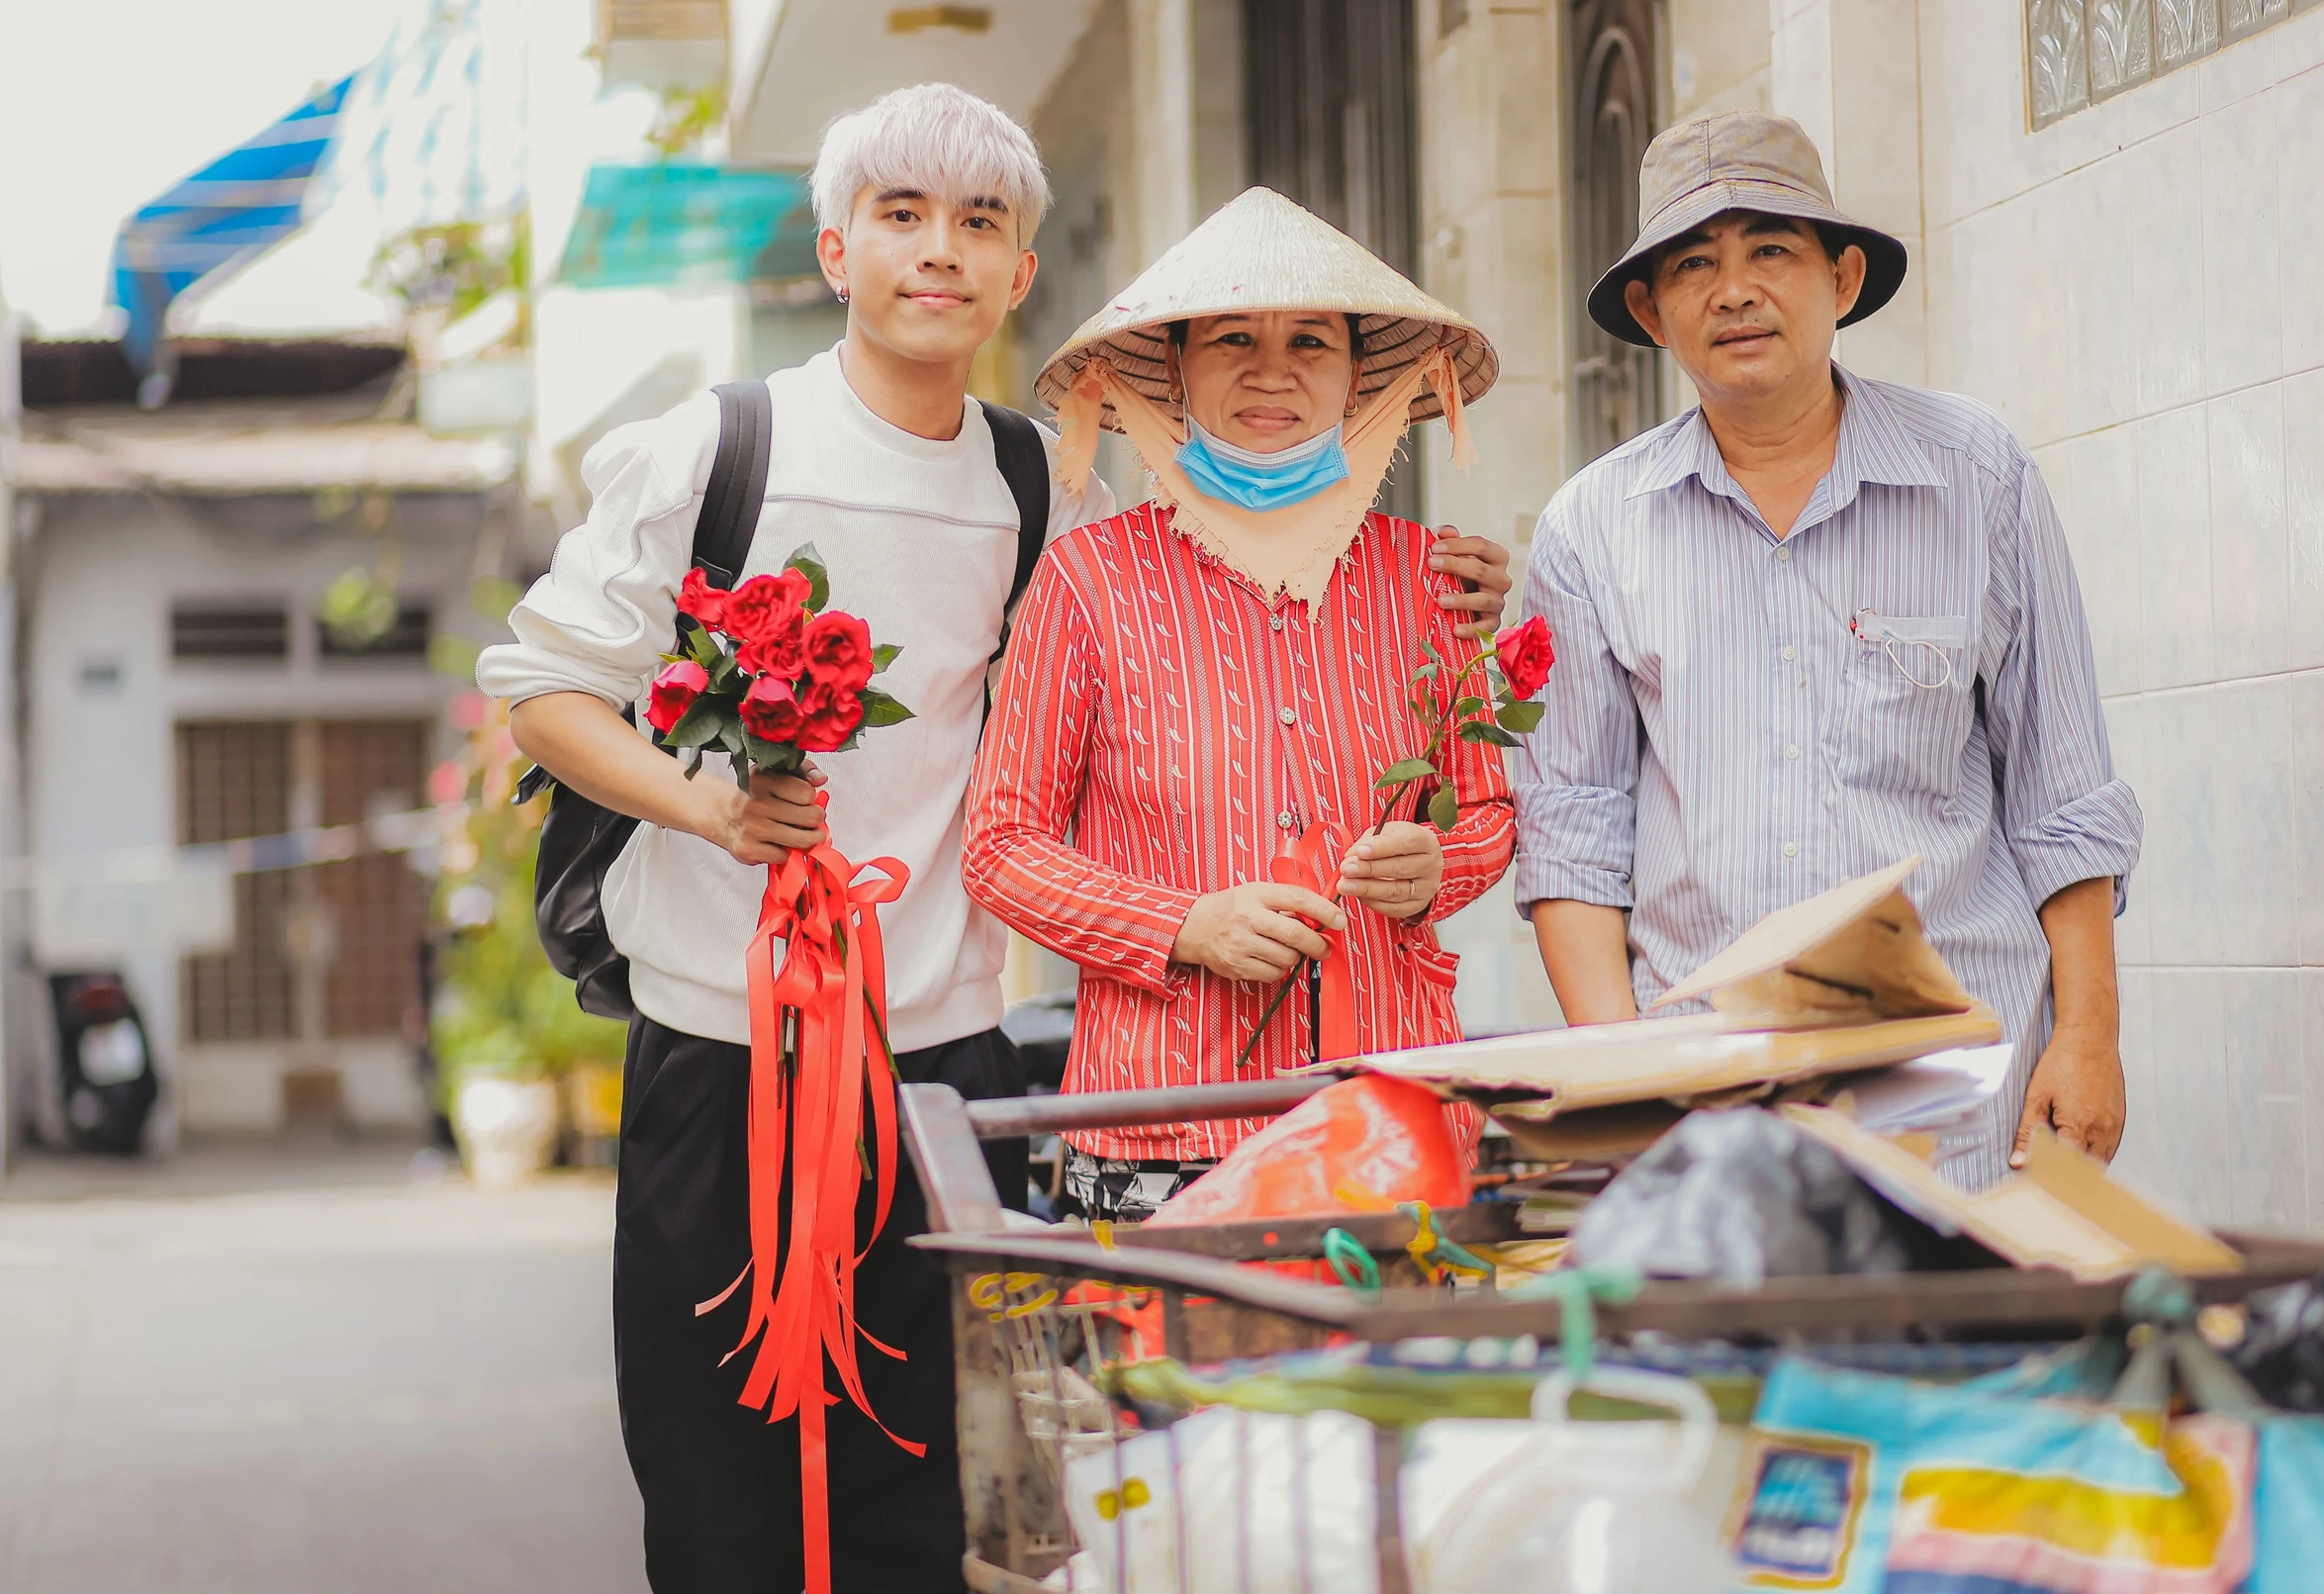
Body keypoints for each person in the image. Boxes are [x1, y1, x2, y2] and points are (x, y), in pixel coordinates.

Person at [477, 85, 1511, 1591]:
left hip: (940, 1056)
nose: (939, 252)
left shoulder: (1036, 481)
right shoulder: (717, 445)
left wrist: (1447, 597)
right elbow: (544, 688)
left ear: (1023, 272)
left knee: (934, 1487)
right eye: (901, 216)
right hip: (724, 1041)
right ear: (837, 248)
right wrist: (709, 803)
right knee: (714, 1489)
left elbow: (1146, 689)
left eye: (979, 224)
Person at [1511, 111, 2142, 1189]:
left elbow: (2062, 791)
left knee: (1964, 1358)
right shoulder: (1591, 527)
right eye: (1694, 265)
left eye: (1770, 251)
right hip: (1710, 1104)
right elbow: (1572, 830)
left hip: (1964, 1093)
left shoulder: (1977, 474)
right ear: (1649, 311)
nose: (1734, 289)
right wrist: (1622, 1081)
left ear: (1842, 278)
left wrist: (2086, 1039)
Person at [964, 187, 1516, 1222]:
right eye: (1231, 339)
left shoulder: (1432, 579)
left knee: (1389, 1388)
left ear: (1359, 377)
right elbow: (999, 846)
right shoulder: (1087, 582)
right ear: (1173, 372)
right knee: (1171, 1387)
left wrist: (1440, 866)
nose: (1273, 370)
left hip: (1390, 1111)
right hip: (1160, 1122)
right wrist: (1183, 925)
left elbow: (1486, 815)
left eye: (1311, 338)